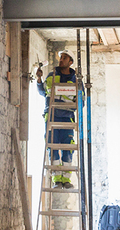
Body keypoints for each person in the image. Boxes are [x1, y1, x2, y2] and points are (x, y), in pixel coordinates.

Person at [36, 51, 78, 188]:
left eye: (64, 58)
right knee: (52, 147)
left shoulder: (75, 80)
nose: (61, 60)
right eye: (61, 57)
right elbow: (43, 92)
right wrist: (38, 80)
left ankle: (66, 180)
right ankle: (56, 180)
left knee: (68, 148)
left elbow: (80, 100)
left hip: (67, 118)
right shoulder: (51, 76)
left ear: (70, 62)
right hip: (52, 117)